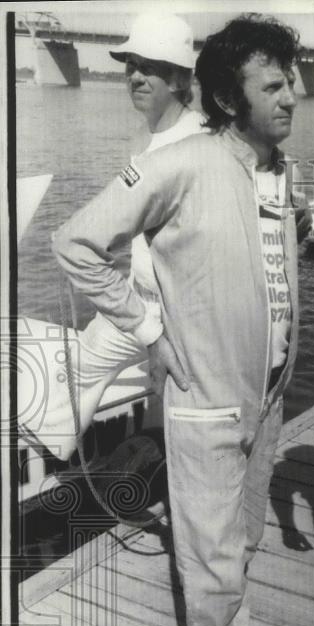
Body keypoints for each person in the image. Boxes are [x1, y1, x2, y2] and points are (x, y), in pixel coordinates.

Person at [53, 14, 308, 626]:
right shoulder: (183, 162)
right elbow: (75, 244)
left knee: (239, 543)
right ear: (231, 97)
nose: (294, 94)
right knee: (208, 563)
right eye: (274, 85)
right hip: (203, 406)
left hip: (265, 400)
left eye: (292, 79)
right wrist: (151, 328)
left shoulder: (278, 169)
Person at [19, 13, 202, 460]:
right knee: (77, 367)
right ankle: (39, 460)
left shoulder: (198, 141)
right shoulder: (144, 136)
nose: (135, 76)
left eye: (149, 67)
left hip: (182, 315)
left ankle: (168, 468)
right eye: (130, 65)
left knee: (183, 408)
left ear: (179, 78)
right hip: (138, 303)